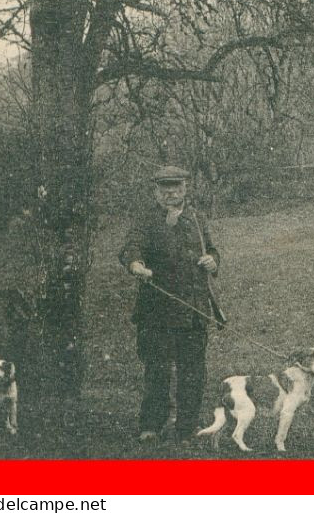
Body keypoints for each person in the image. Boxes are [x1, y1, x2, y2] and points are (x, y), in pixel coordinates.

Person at [118, 164, 222, 443]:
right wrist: (136, 265)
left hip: (193, 310)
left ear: (185, 189)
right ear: (156, 191)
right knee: (157, 371)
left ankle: (186, 428)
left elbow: (211, 249)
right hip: (157, 311)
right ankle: (151, 424)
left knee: (193, 373)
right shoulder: (146, 219)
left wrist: (213, 260)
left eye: (176, 188)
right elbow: (130, 248)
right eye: (165, 189)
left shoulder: (197, 218)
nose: (170, 194)